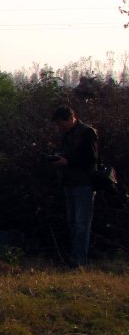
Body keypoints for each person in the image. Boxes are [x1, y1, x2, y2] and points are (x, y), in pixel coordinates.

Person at [51, 105, 98, 267]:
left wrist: (68, 161)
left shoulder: (87, 132)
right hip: (69, 183)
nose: (59, 127)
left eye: (61, 123)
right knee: (72, 222)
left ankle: (79, 260)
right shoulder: (67, 134)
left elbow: (91, 159)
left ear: (71, 118)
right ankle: (74, 257)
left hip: (83, 184)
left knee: (81, 224)